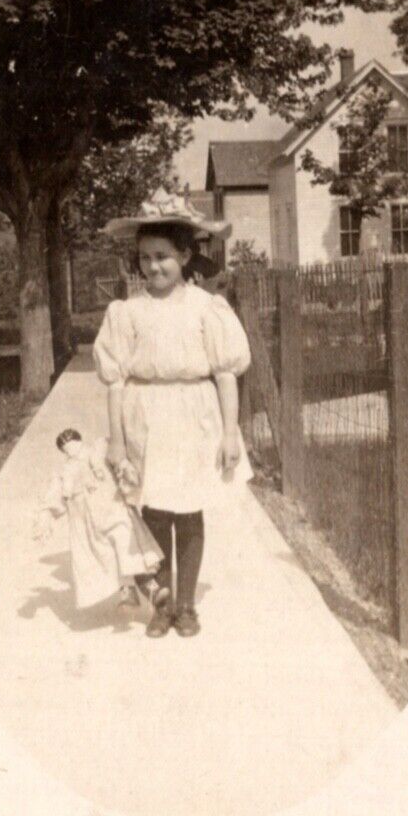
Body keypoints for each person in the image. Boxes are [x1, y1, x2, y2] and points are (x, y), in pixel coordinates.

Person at [93, 195, 253, 638]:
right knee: (155, 512)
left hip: (194, 416)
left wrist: (230, 433)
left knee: (189, 511)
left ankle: (186, 606)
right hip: (146, 418)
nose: (153, 267)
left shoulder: (206, 308)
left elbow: (225, 375)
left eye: (162, 256)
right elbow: (116, 380)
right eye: (145, 258)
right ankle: (160, 604)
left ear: (184, 256)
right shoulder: (127, 312)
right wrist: (117, 440)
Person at [35, 428, 167, 615]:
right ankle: (129, 593)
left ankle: (155, 595)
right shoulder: (65, 471)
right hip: (89, 525)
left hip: (115, 511)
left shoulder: (99, 450)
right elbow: (54, 495)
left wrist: (125, 472)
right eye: (65, 448)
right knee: (108, 558)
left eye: (72, 443)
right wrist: (45, 516)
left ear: (80, 441)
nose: (70, 449)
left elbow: (120, 458)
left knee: (129, 550)